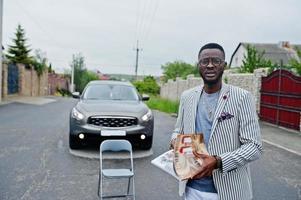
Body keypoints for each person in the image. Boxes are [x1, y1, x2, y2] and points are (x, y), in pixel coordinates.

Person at [170, 43, 262, 200]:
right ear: (199, 65)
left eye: (216, 61)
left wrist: (218, 161)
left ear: (224, 65)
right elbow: (178, 130)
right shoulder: (187, 97)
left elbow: (254, 146)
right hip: (191, 188)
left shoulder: (242, 97)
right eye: (205, 61)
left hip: (228, 192)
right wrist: (175, 141)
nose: (210, 65)